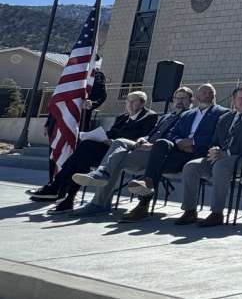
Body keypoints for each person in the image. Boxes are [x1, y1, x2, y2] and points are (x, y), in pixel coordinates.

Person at [69, 86, 195, 216]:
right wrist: (142, 139)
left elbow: (182, 139)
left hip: (160, 154)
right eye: (177, 98)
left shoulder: (192, 116)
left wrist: (153, 145)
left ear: (191, 100)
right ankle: (100, 181)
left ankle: (99, 201)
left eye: (183, 98)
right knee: (119, 143)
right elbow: (150, 134)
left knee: (117, 159)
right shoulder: (166, 117)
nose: (179, 101)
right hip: (144, 147)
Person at [30, 89, 158, 210]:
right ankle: (67, 196)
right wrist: (100, 137)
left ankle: (59, 188)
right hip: (108, 148)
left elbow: (143, 137)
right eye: (127, 101)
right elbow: (112, 132)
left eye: (133, 101)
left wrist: (112, 142)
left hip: (125, 152)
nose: (129, 104)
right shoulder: (123, 117)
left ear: (142, 103)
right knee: (84, 151)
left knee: (86, 150)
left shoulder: (149, 116)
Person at [120, 83, 229, 222]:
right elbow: (173, 133)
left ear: (214, 95)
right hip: (179, 153)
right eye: (203, 92)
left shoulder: (223, 113)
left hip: (200, 154)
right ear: (196, 97)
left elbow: (218, 136)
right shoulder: (188, 114)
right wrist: (179, 142)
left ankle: (144, 204)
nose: (207, 95)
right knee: (161, 144)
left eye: (210, 92)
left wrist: (193, 142)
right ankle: (144, 198)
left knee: (155, 167)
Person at [175, 86, 242, 227]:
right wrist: (214, 150)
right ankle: (190, 211)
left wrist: (227, 153)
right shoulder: (226, 117)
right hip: (222, 157)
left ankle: (217, 213)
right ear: (234, 101)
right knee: (191, 166)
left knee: (221, 166)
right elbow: (215, 141)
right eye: (241, 98)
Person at [41, 63, 107, 184]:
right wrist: (47, 122)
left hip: (77, 121)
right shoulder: (70, 73)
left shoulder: (95, 75)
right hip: (56, 121)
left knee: (72, 154)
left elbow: (102, 95)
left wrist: (92, 103)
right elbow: (58, 99)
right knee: (54, 153)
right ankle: (52, 184)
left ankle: (65, 187)